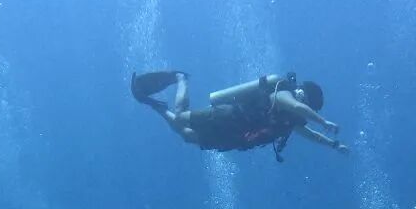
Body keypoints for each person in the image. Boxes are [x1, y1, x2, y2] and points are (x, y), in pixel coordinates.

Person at [131, 70, 349, 161]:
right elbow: (296, 106)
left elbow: (310, 134)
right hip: (229, 116)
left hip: (237, 137)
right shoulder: (283, 92)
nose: (303, 103)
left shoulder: (289, 120)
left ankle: (155, 106)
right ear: (301, 92)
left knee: (187, 136)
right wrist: (323, 121)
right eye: (306, 99)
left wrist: (333, 144)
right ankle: (181, 78)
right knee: (180, 117)